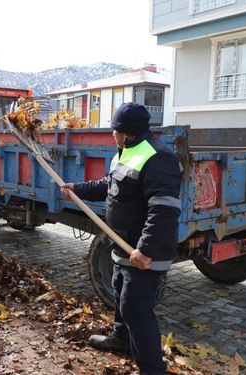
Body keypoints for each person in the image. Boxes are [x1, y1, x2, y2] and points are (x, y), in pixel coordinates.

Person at [61, 103, 182, 375]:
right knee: (120, 295)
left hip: (142, 252)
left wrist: (146, 249)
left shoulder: (158, 157)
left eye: (114, 131)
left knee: (136, 308)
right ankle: (122, 339)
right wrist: (76, 189)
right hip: (122, 245)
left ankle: (152, 369)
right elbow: (109, 185)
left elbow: (163, 209)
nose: (111, 136)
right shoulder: (125, 152)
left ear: (125, 133)